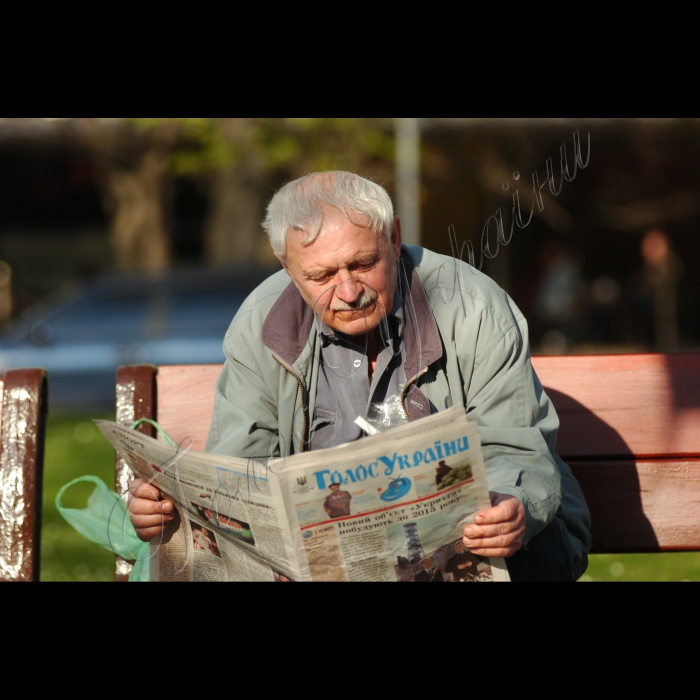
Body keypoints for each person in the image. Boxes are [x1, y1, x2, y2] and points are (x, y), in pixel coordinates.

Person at [127, 171, 591, 581]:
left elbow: (516, 450)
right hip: (320, 557)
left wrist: (510, 508)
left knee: (528, 553)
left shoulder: (474, 307)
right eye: (321, 275)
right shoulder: (259, 322)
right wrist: (173, 510)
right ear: (287, 267)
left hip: (461, 542)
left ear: (394, 237)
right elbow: (241, 471)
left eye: (363, 264)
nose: (348, 291)